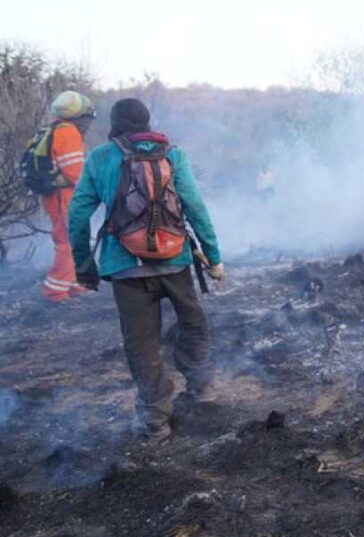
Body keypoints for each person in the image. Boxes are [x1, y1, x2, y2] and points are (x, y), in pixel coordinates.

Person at [68, 99, 224, 444]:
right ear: (146, 121)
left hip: (125, 268)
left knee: (142, 343)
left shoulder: (99, 158)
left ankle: (156, 423)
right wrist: (213, 257)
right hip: (175, 259)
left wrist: (84, 266)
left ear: (114, 124)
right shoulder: (172, 155)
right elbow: (195, 206)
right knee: (193, 322)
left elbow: (78, 215)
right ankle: (203, 388)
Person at [38, 91, 95, 302]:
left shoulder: (54, 130)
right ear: (79, 116)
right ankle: (55, 291)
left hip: (56, 194)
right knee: (68, 240)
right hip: (64, 196)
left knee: (69, 237)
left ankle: (74, 283)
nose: (88, 124)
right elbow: (75, 173)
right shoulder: (69, 133)